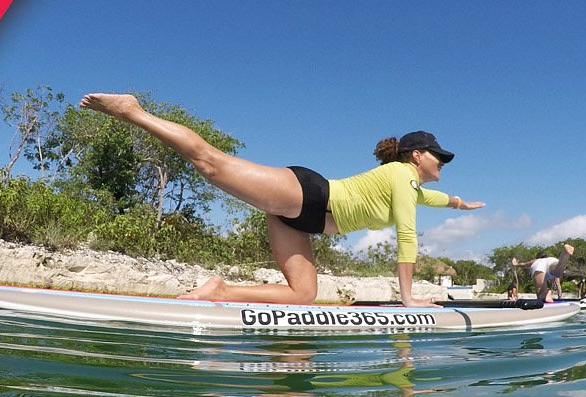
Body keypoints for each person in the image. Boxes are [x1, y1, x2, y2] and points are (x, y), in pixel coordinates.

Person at [79, 93, 485, 307]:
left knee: (303, 294)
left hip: (301, 220)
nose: (443, 163)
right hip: (308, 194)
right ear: (416, 157)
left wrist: (457, 205)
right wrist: (408, 297)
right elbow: (407, 234)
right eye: (439, 157)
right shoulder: (400, 176)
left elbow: (427, 200)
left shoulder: (410, 186)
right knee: (212, 165)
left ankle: (219, 291)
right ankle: (133, 111)